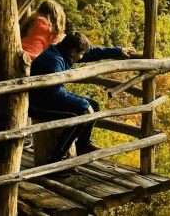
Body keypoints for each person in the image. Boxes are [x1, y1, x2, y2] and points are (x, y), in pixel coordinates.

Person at [28, 31, 135, 175]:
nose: (82, 56)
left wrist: (118, 51)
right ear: (73, 51)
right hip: (39, 103)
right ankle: (56, 161)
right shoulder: (53, 60)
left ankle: (82, 145)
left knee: (94, 106)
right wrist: (84, 104)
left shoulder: (63, 52)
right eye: (81, 53)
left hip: (49, 97)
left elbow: (93, 53)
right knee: (79, 116)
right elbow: (54, 93)